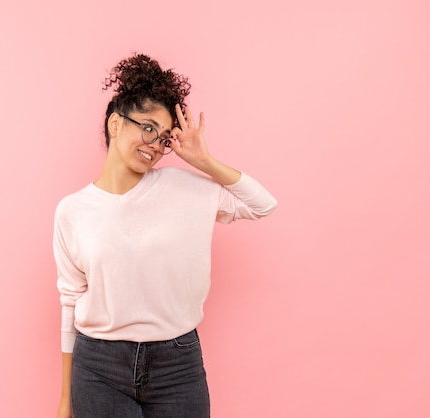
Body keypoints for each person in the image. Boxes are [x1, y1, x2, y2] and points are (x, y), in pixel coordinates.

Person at [54, 53, 277, 418]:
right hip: (99, 367)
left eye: (164, 138)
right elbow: (70, 302)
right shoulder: (72, 211)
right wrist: (65, 401)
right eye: (147, 128)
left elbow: (262, 204)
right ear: (115, 123)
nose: (155, 146)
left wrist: (203, 160)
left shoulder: (187, 188)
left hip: (177, 365)